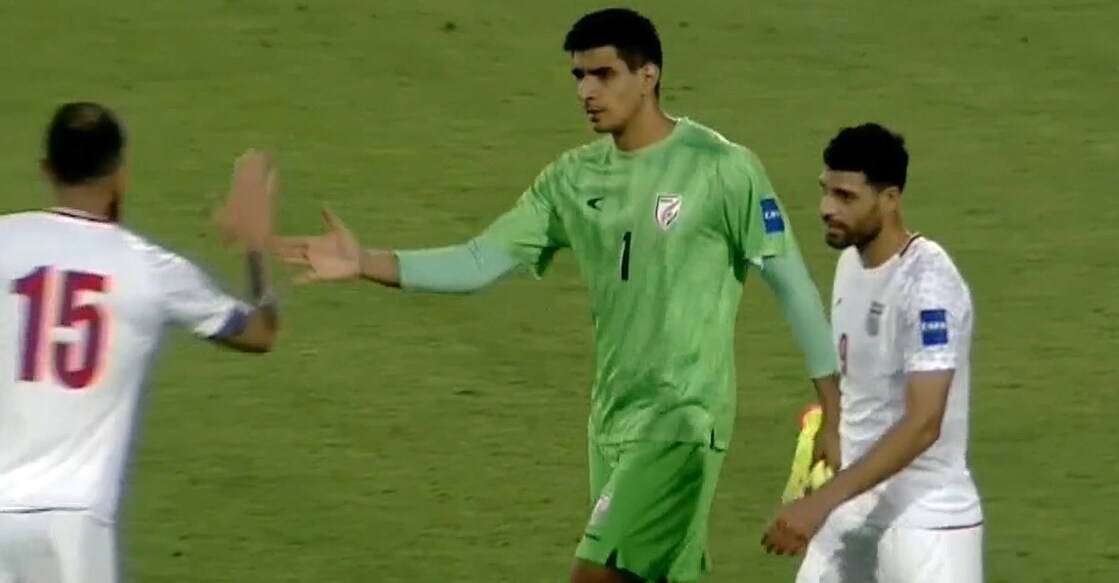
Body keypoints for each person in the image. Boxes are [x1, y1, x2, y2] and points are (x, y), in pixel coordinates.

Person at [276, 8, 839, 583]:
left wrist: (834, 411)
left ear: (648, 76)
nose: (586, 91)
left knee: (593, 576)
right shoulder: (572, 180)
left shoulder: (722, 169)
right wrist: (364, 261)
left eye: (603, 74)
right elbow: (480, 259)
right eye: (578, 77)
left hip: (683, 421)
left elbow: (791, 285)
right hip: (611, 421)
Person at [0, 102, 280, 582]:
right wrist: (256, 247)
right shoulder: (151, 269)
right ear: (120, 174)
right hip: (74, 528)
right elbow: (260, 332)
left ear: (46, 170)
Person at [761, 123, 984, 583]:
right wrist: (832, 424)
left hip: (926, 521)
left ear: (890, 198)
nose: (826, 209)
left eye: (845, 197)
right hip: (853, 505)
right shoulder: (851, 263)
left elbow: (923, 424)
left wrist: (819, 503)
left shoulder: (927, 287)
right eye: (826, 192)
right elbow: (860, 373)